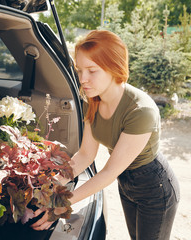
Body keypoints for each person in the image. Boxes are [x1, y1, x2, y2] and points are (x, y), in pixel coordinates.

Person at [30, 30, 180, 240]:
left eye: (92, 70)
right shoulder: (93, 100)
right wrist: (53, 185)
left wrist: (61, 203)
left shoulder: (141, 111)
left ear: (114, 67)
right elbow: (85, 155)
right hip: (126, 184)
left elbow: (109, 171)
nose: (83, 79)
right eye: (80, 70)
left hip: (155, 189)